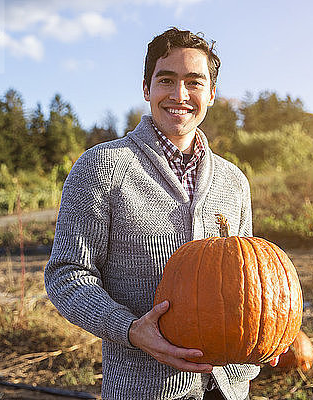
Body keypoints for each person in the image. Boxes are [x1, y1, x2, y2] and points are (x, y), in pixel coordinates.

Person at [45, 27, 281, 400]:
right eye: (166, 80)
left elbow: (250, 276)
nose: (179, 95)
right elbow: (66, 275)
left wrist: (267, 332)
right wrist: (130, 328)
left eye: (194, 82)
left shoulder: (233, 181)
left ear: (212, 94)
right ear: (146, 88)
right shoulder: (103, 167)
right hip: (144, 388)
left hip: (230, 388)